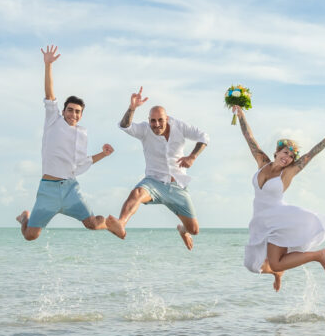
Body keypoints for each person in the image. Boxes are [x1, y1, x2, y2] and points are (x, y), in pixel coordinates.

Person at [232, 104, 325, 291]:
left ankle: (318, 255)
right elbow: (249, 137)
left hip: (280, 219)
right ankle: (277, 273)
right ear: (276, 152)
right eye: (285, 153)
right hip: (261, 218)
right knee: (251, 264)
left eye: (291, 156)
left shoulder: (287, 173)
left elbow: (309, 156)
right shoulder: (262, 162)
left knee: (277, 262)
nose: (287, 157)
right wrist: (241, 115)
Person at [15, 46, 117, 241]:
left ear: (81, 115)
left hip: (70, 188)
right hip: (48, 189)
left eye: (78, 112)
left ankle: (112, 223)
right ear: (63, 111)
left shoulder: (82, 134)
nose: (73, 114)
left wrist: (103, 154)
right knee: (30, 236)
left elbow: (82, 163)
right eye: (70, 110)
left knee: (93, 224)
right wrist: (48, 65)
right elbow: (49, 93)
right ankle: (24, 219)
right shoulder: (53, 120)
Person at [107, 87, 209, 250]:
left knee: (194, 230)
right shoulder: (145, 130)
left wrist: (192, 156)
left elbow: (204, 137)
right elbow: (125, 126)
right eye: (152, 121)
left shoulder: (179, 127)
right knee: (137, 193)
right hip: (153, 182)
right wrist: (132, 108)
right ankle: (121, 224)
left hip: (177, 186)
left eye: (160, 120)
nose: (156, 124)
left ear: (166, 118)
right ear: (149, 120)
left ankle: (182, 230)